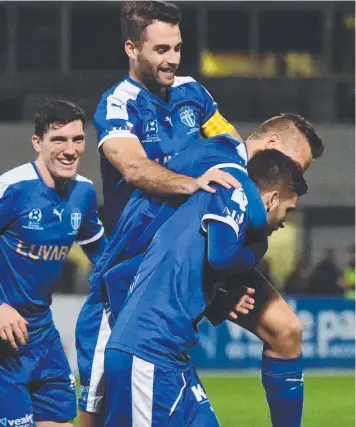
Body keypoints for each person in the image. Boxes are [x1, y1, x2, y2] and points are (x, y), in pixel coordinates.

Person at [77, 112, 324, 425]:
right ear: (271, 145)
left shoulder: (241, 188)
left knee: (286, 330)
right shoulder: (222, 166)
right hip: (122, 294)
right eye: (295, 165)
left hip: (170, 305)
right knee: (94, 417)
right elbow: (157, 241)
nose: (293, 176)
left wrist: (219, 293)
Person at [0, 100, 107, 426]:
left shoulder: (83, 193)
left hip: (43, 336)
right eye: (58, 140)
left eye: (77, 140)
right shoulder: (13, 188)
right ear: (37, 142)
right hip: (5, 341)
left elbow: (105, 258)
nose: (70, 149)